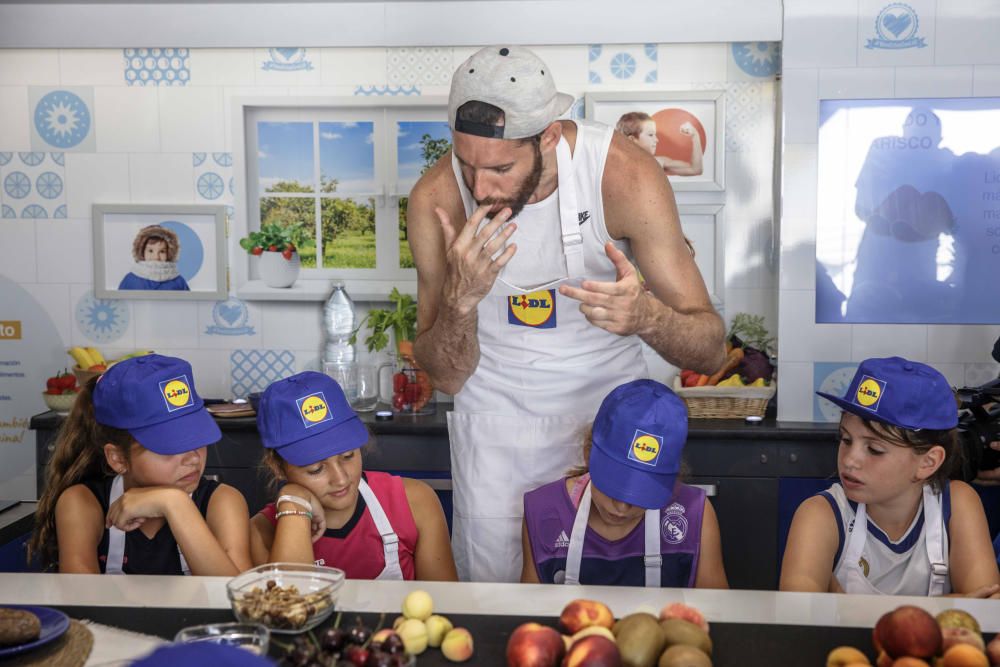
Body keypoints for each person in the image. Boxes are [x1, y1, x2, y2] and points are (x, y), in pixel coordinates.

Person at [407, 45, 724, 582]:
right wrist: (460, 301)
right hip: (496, 432)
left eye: (502, 168)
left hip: (607, 432)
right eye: (467, 164)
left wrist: (647, 317)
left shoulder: (622, 175)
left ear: (549, 136)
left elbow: (712, 348)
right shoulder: (436, 198)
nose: (481, 189)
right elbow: (443, 375)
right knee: (498, 606)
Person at [780, 356, 1000, 597]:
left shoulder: (957, 504)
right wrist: (953, 604)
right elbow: (798, 617)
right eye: (845, 439)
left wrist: (845, 607)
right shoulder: (820, 515)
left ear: (928, 462)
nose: (850, 459)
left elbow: (985, 605)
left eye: (874, 449)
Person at [27, 354, 251, 575]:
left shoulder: (223, 502)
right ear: (118, 459)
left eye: (197, 438)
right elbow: (80, 600)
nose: (193, 458)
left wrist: (175, 504)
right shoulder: (82, 503)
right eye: (170, 446)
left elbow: (238, 600)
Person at [249, 371, 457, 581]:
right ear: (277, 467)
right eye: (316, 469)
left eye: (348, 455)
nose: (340, 479)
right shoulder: (262, 532)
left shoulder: (415, 501)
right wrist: (293, 502)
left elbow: (447, 604)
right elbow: (290, 606)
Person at [521, 379, 727, 588]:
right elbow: (531, 613)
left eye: (643, 493)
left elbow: (718, 614)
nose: (621, 508)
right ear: (588, 453)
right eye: (613, 486)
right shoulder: (544, 511)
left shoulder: (694, 514)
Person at [615, 111, 704, 177]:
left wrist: (695, 135)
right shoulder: (614, 166)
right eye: (650, 135)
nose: (656, 140)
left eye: (655, 134)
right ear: (632, 139)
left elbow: (695, 169)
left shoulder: (658, 162)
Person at [118, 225, 191, 291]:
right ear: (142, 251)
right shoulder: (131, 280)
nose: (156, 257)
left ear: (169, 253)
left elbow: (189, 304)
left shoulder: (178, 281)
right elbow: (119, 303)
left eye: (162, 251)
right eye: (150, 251)